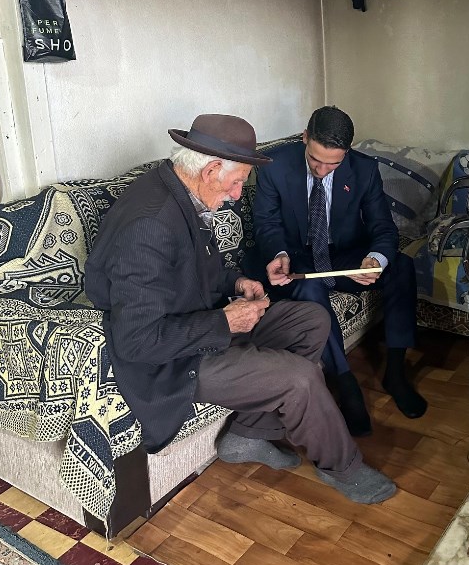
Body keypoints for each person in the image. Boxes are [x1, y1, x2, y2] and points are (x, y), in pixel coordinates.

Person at [84, 114, 396, 505]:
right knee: (300, 377)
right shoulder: (150, 225)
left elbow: (198, 268)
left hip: (202, 325)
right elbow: (138, 341)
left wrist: (236, 283)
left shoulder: (179, 190)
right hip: (176, 361)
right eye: (236, 183)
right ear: (211, 169)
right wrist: (224, 321)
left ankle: (249, 434)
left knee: (311, 320)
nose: (236, 196)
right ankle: (343, 468)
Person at [251, 106, 427, 437]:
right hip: (298, 258)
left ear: (346, 152)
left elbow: (383, 228)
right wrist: (279, 254)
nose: (322, 170)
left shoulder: (364, 169)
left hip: (344, 255)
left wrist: (374, 259)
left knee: (401, 265)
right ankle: (346, 384)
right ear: (305, 138)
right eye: (315, 160)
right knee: (309, 289)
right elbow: (266, 223)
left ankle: (396, 371)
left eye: (333, 164)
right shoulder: (274, 165)